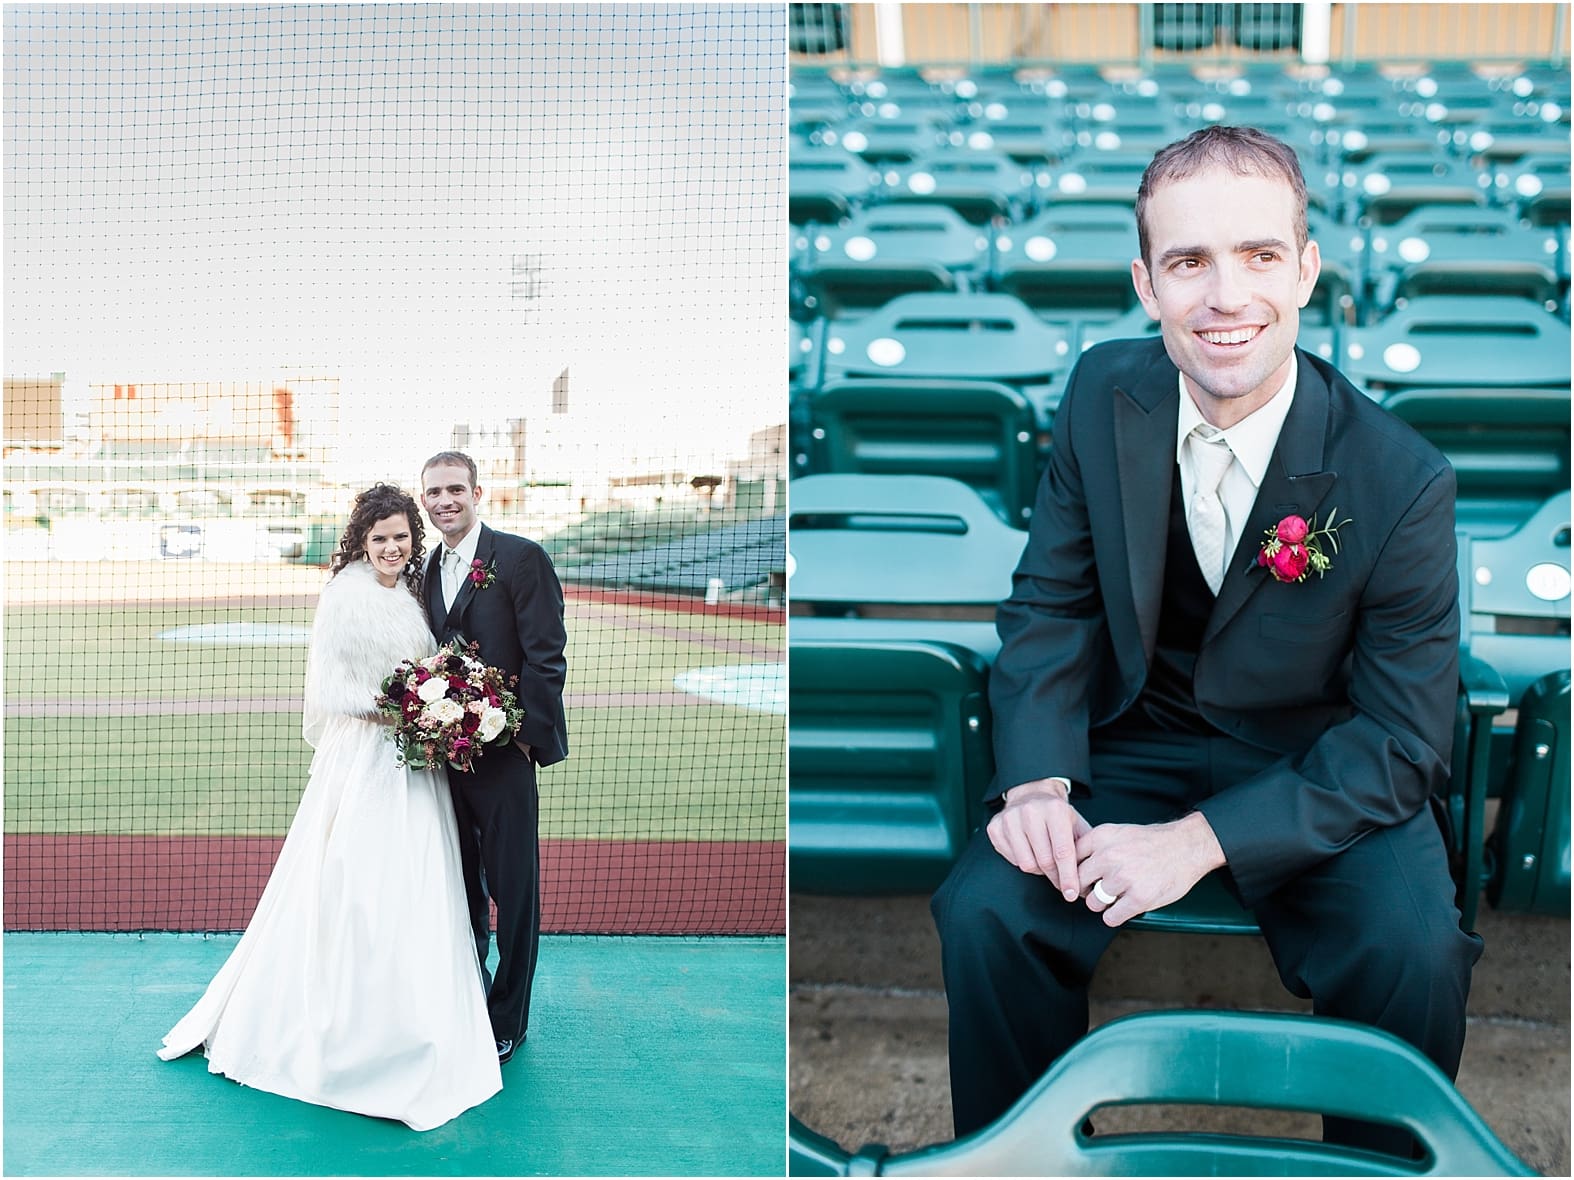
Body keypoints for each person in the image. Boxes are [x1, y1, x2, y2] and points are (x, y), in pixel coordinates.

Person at [930, 126, 1483, 1154]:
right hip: (1130, 744)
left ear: (1305, 270)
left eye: (1257, 255)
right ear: (1146, 283)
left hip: (1316, 765)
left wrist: (1197, 842)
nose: (1224, 296)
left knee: (1411, 948)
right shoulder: (1102, 392)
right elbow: (1050, 605)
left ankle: (1367, 1171)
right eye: (1188, 261)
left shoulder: (1400, 478)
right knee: (985, 909)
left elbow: (1403, 740)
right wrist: (1040, 784)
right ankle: (1021, 1161)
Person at [158, 483, 501, 1131]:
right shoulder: (344, 596)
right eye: (380, 539)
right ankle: (350, 1032)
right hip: (368, 758)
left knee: (417, 882)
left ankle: (419, 1015)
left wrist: (433, 703)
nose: (393, 547)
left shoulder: (409, 588)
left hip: (413, 762)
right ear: (361, 541)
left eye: (402, 535)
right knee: (359, 885)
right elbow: (332, 688)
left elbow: (424, 663)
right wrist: (407, 707)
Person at [420, 450, 568, 1065]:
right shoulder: (425, 568)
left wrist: (527, 739)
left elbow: (546, 652)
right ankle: (468, 995)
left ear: (479, 493)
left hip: (505, 758)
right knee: (456, 884)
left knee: (515, 889)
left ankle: (510, 1016)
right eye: (434, 493)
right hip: (444, 760)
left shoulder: (520, 557)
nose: (445, 501)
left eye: (456, 489)